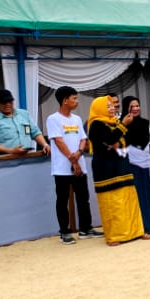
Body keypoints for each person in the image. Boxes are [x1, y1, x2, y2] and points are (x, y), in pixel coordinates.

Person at [86, 96, 148, 246]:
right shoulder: (95, 125)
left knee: (129, 199)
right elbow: (109, 140)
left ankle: (135, 231)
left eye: (112, 105)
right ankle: (115, 235)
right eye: (108, 106)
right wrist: (123, 125)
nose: (112, 108)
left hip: (122, 165)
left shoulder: (115, 122)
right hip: (106, 169)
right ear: (99, 108)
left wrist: (126, 124)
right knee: (112, 203)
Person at [46, 86, 102, 245]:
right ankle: (64, 231)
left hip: (79, 163)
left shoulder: (77, 119)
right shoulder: (53, 119)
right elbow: (58, 141)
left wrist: (78, 153)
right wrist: (73, 160)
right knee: (62, 199)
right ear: (65, 101)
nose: (76, 101)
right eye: (74, 98)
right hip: (62, 167)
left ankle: (86, 228)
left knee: (83, 197)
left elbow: (83, 138)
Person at [0, 89, 52, 157]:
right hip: (6, 160)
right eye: (4, 102)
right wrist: (11, 151)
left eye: (10, 101)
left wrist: (45, 145)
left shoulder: (24, 114)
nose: (8, 104)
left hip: (29, 156)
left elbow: (35, 132)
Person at [121, 95, 150, 235]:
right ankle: (137, 227)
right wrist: (124, 125)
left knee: (145, 195)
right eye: (132, 106)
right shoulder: (121, 124)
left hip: (144, 163)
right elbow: (120, 144)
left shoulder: (145, 122)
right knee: (135, 196)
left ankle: (148, 225)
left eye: (137, 105)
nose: (135, 109)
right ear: (126, 108)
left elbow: (146, 141)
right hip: (130, 164)